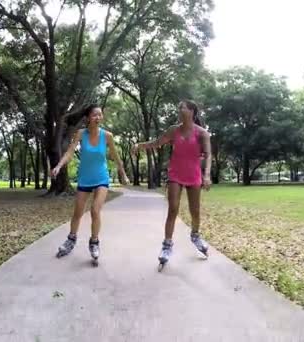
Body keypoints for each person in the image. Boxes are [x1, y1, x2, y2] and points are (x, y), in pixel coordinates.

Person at [133, 100, 212, 267]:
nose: (179, 109)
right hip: (175, 174)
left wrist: (206, 175)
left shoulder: (202, 133)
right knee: (173, 209)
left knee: (195, 211)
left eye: (182, 107)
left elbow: (208, 155)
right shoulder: (173, 130)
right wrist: (140, 145)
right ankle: (167, 245)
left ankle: (195, 235)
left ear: (191, 111)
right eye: (179, 107)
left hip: (194, 175)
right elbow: (157, 142)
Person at [51, 104, 129, 264]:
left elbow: (115, 155)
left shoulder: (107, 136)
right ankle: (71, 240)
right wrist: (59, 166)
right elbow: (70, 152)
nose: (98, 118)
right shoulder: (80, 134)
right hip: (85, 178)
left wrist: (123, 172)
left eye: (100, 115)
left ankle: (94, 242)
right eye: (95, 115)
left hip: (101, 178)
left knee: (95, 210)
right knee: (78, 213)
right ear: (88, 118)